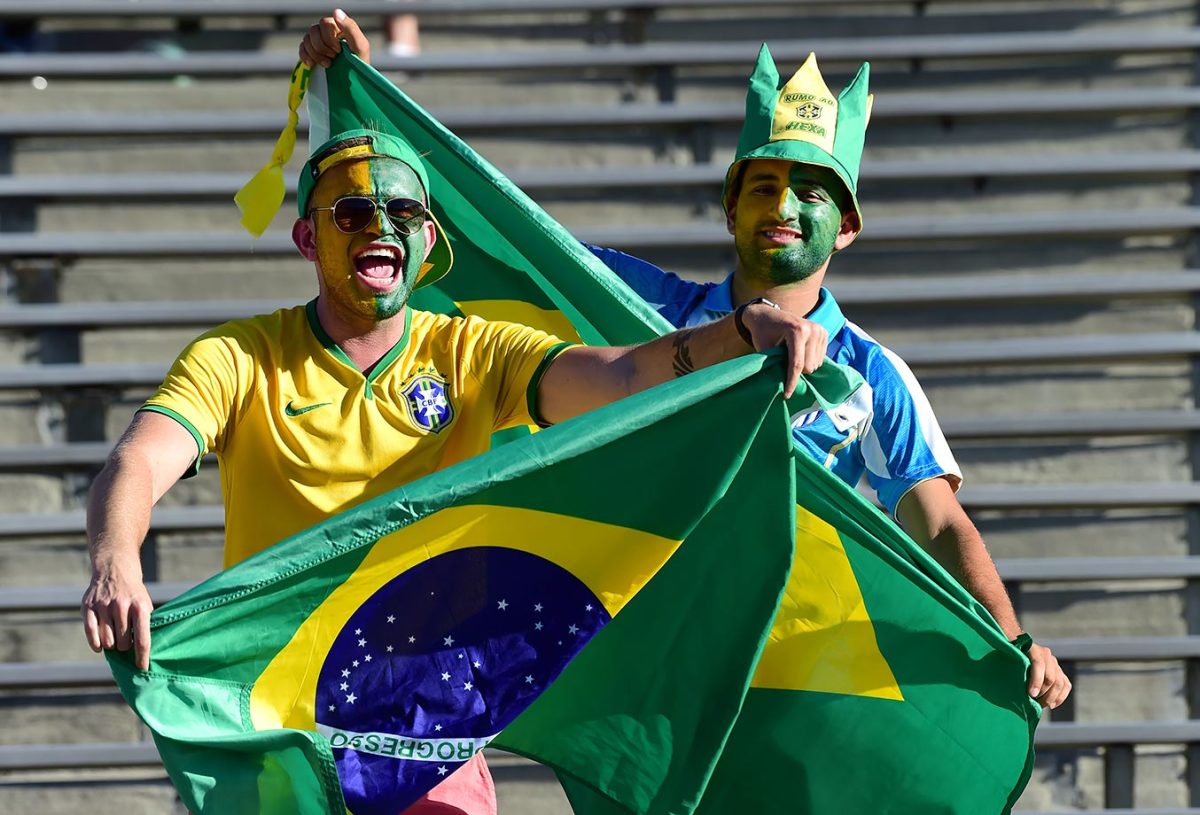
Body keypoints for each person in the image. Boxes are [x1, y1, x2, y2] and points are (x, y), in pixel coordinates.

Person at [78, 18, 827, 815]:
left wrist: (741, 330)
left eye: (402, 215)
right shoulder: (240, 356)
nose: (381, 227)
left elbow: (631, 372)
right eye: (351, 214)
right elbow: (137, 461)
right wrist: (116, 556)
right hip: (284, 734)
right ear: (305, 237)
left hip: (427, 735)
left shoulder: (473, 353)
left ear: (429, 241)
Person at [297, 11, 1072, 714]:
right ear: (731, 208)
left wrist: (1011, 638)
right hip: (641, 665)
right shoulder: (634, 311)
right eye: (763, 185)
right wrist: (367, 103)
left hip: (789, 680)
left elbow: (939, 523)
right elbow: (472, 245)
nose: (784, 205)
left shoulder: (879, 376)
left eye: (810, 191)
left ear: (847, 227)